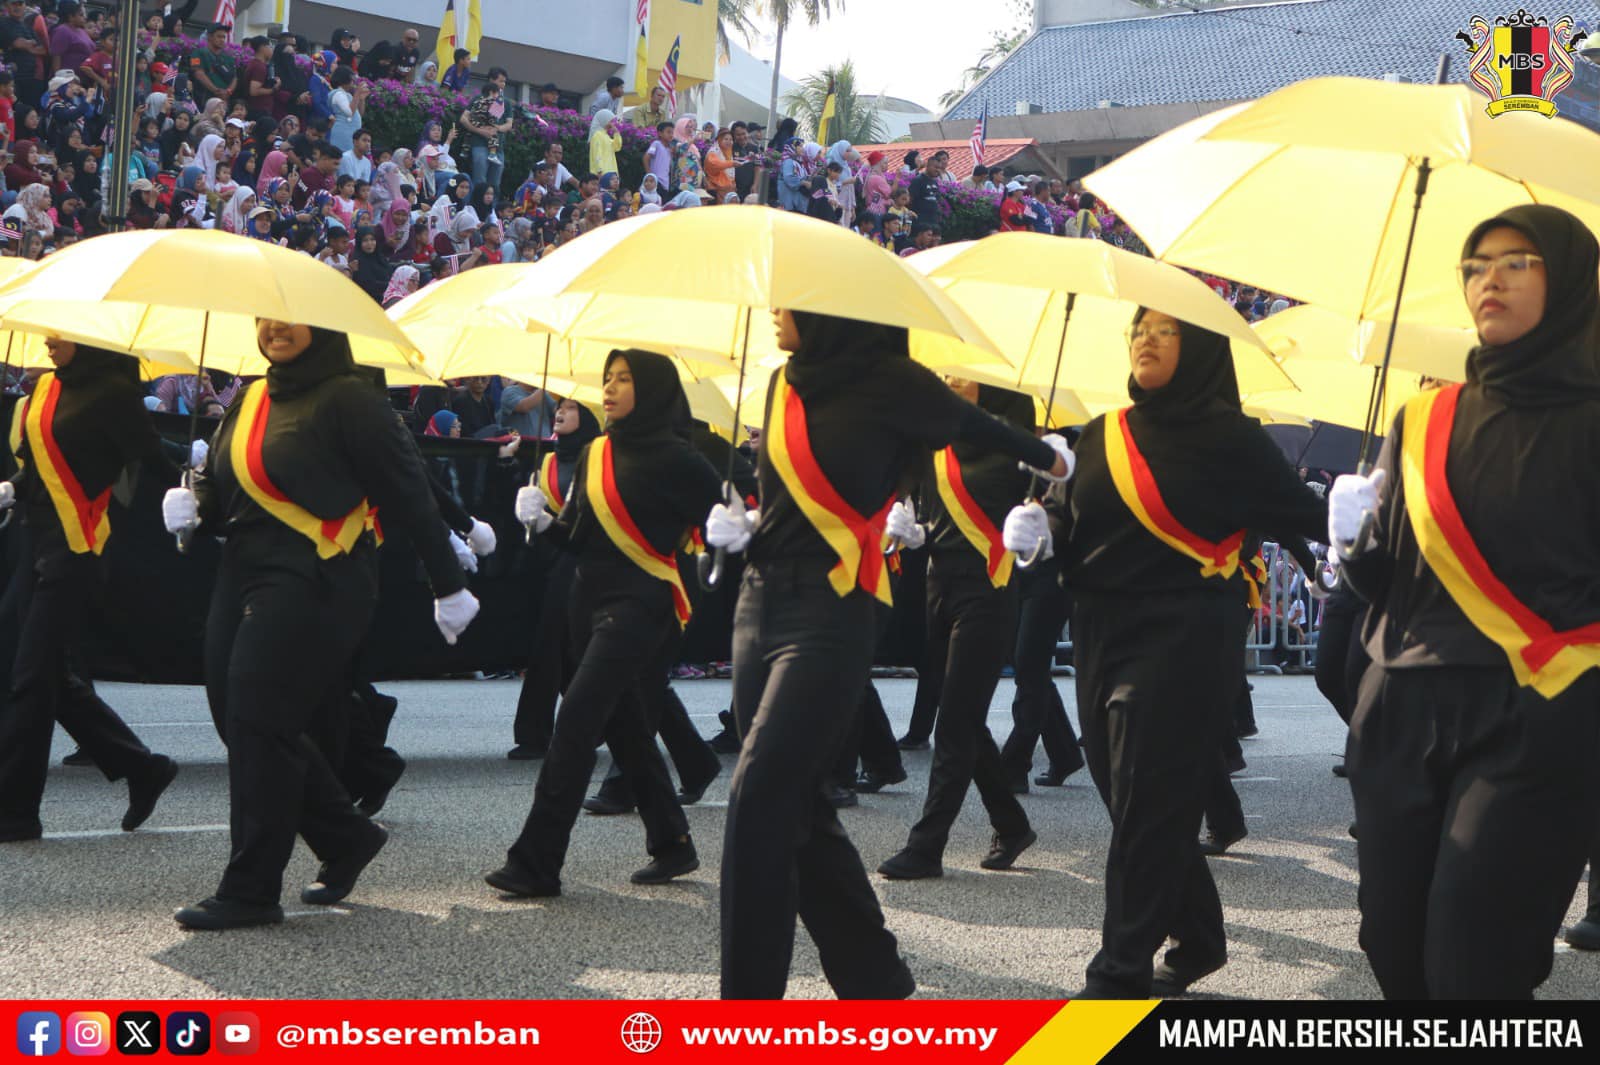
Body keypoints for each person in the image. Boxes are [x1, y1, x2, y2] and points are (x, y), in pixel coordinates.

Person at [707, 310, 1070, 999]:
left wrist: (1053, 461)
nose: (778, 310)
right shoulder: (781, 383)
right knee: (800, 804)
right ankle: (876, 979)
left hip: (830, 605)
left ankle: (744, 1013)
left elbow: (980, 427)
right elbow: (787, 500)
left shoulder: (891, 381)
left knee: (757, 792)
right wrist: (740, 531)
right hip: (760, 601)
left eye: (793, 300)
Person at [1003, 308, 1326, 1000]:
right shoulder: (1101, 433)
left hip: (1184, 632)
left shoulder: (1233, 437)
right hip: (1100, 629)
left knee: (1147, 797)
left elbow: (1306, 516)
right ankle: (1202, 936)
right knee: (1128, 795)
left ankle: (1117, 973)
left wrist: (1358, 507)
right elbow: (1074, 516)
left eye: (1164, 329)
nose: (1145, 338)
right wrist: (1041, 525)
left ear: (1201, 346)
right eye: (1138, 328)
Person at [1329, 204, 1600, 999]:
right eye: (1477, 264)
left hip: (1536, 705)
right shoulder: (1422, 417)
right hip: (1400, 700)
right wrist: (1350, 544)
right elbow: (1383, 578)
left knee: (1475, 955)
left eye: (1519, 260)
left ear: (1573, 278)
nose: (1491, 278)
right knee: (1391, 940)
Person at [162, 321, 479, 930]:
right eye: (264, 318)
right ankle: (345, 837)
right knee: (242, 721)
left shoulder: (350, 396)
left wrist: (449, 582)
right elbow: (219, 477)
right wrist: (193, 500)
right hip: (244, 568)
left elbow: (409, 488)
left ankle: (251, 889)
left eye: (290, 316)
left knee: (258, 719)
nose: (274, 327)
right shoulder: (250, 396)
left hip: (319, 572)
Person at [491, 350, 721, 896]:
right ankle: (673, 843)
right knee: (626, 728)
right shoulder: (595, 452)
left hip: (643, 608)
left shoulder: (682, 458)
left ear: (655, 389)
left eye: (625, 379)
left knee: (574, 727)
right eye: (608, 378)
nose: (611, 388)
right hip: (586, 605)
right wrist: (542, 521)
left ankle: (536, 862)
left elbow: (730, 525)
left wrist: (737, 529)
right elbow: (576, 537)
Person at [0, 340, 182, 844]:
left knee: (30, 680)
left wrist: (198, 480)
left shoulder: (115, 393)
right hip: (32, 540)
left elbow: (153, 460)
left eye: (61, 333)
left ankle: (15, 813)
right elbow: (36, 466)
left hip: (75, 548)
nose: (49, 341)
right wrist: (12, 486)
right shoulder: (43, 388)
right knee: (35, 670)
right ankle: (141, 767)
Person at [876, 380, 1042, 879]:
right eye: (945, 373)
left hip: (988, 588)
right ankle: (1012, 825)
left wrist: (1040, 511)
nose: (950, 381)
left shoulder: (1017, 447)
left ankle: (926, 847)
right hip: (938, 585)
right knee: (965, 718)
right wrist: (907, 530)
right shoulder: (935, 442)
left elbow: (1051, 514)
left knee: (954, 722)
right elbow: (926, 517)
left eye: (963, 374)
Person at [510, 397, 602, 760]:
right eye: (559, 406)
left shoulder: (598, 460)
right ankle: (597, 724)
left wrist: (550, 521)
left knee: (553, 646)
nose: (561, 412)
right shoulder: (545, 460)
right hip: (547, 564)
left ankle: (535, 735)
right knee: (562, 650)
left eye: (572, 407)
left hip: (583, 563)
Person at [461, 68, 511, 203]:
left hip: (498, 148)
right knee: (479, 180)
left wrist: (497, 128)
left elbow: (508, 124)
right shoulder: (478, 99)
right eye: (500, 81)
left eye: (504, 82)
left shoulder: (505, 102)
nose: (503, 85)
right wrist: (479, 131)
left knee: (495, 183)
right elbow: (464, 118)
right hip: (479, 145)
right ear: (491, 81)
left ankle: (491, 213)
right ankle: (476, 208)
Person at [588, 109, 621, 184]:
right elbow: (597, 154)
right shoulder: (597, 135)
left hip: (611, 173)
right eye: (611, 121)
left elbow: (617, 147)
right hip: (602, 174)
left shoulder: (606, 136)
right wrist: (599, 171)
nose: (612, 124)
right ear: (604, 120)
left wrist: (616, 133)